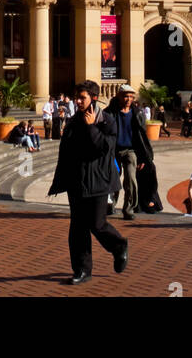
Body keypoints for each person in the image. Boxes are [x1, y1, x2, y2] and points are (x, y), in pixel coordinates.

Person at [48, 80, 127, 285]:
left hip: (99, 182)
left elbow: (105, 149)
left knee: (97, 224)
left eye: (82, 97)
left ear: (93, 98)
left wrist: (92, 127)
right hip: (77, 183)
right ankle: (82, 270)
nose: (78, 101)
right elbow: (66, 152)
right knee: (77, 228)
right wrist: (62, 180)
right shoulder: (73, 122)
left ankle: (119, 246)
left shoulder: (107, 121)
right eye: (77, 97)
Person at [107, 85, 154, 222]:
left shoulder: (137, 113)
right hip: (114, 151)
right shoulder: (109, 112)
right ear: (119, 96)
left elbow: (142, 137)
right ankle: (110, 205)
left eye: (131, 96)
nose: (128, 99)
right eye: (125, 96)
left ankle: (128, 209)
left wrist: (143, 157)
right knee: (113, 179)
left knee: (131, 180)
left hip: (131, 150)